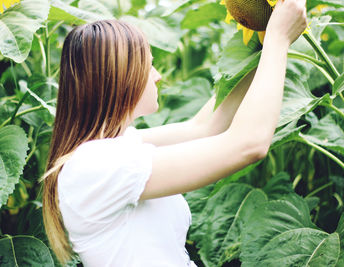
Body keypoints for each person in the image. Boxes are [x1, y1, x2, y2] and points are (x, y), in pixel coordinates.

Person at [41, 0, 307, 266]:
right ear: (119, 76)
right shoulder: (94, 165)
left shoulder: (118, 146)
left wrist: (261, 37)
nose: (157, 76)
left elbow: (205, 127)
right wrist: (277, 40)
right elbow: (248, 145)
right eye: (148, 64)